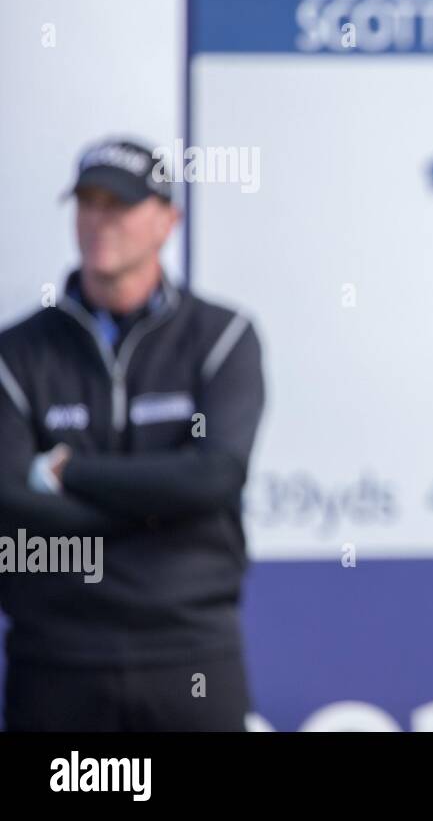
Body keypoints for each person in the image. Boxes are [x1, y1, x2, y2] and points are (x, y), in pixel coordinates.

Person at [0, 138, 265, 730]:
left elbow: (216, 477)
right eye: (87, 203)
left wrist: (70, 473)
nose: (99, 220)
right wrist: (161, 507)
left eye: (118, 204)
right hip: (57, 660)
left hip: (190, 652)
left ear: (167, 220)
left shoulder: (223, 337)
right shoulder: (15, 354)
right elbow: (10, 499)